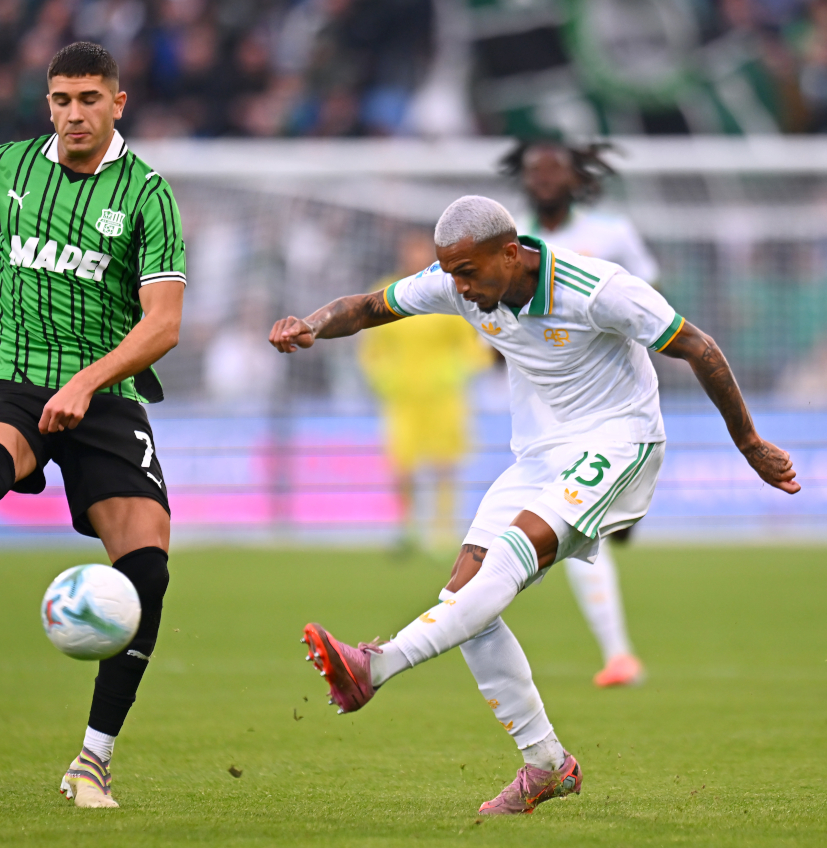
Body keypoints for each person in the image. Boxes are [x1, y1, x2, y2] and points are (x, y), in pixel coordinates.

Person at [269, 195, 798, 816]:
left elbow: (699, 347)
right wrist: (309, 323)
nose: (460, 288)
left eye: (469, 272)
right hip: (542, 454)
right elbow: (364, 308)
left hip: (620, 441)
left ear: (511, 253)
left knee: (502, 570)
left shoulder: (598, 289)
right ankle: (546, 764)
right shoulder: (456, 281)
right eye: (451, 274)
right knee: (463, 600)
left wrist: (749, 443)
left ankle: (374, 667)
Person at [0, 42, 186, 810]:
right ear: (47, 103)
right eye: (60, 100)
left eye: (89, 98)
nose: (73, 114)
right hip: (15, 370)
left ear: (117, 104)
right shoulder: (9, 167)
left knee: (148, 569)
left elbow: (163, 326)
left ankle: (92, 761)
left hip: (108, 389)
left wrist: (88, 384)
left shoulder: (149, 195)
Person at [500, 137, 658, 687]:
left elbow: (646, 302)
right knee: (566, 530)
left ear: (575, 176)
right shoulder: (508, 243)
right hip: (538, 409)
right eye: (533, 171)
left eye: (554, 169)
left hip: (608, 400)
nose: (543, 178)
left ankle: (618, 654)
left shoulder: (610, 234)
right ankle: (619, 655)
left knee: (567, 528)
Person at [357, 228, 490, 551]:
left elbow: (477, 345)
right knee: (402, 466)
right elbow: (370, 347)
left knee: (446, 464)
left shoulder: (450, 291)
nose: (414, 257)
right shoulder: (383, 292)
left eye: (420, 251)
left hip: (444, 396)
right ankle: (407, 526)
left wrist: (456, 371)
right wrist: (381, 376)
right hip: (403, 396)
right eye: (409, 250)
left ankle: (442, 530)